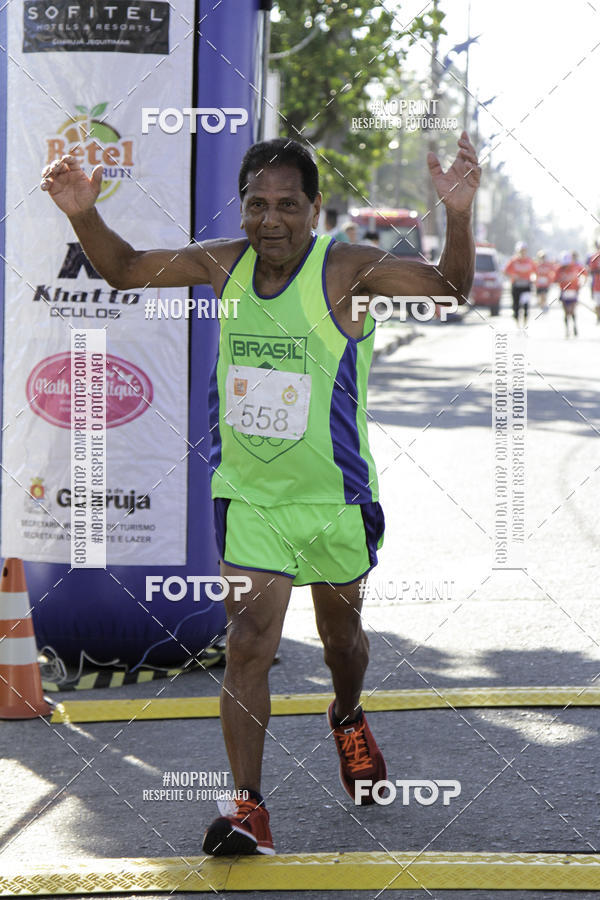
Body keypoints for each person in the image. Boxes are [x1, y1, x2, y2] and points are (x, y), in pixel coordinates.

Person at [41, 131, 480, 856]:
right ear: (242, 207)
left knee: (343, 644)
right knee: (247, 644)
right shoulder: (223, 264)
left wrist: (458, 215)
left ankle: (347, 716)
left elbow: (450, 289)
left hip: (334, 500)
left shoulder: (346, 268)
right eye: (256, 204)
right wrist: (83, 212)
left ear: (314, 208)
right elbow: (124, 270)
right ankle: (248, 808)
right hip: (249, 498)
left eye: (287, 205)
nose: (269, 220)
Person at [554, 251, 586, 338]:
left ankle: (574, 326)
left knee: (572, 311)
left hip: (574, 292)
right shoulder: (559, 269)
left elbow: (585, 273)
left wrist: (582, 284)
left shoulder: (576, 267)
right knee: (566, 312)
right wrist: (561, 280)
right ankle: (567, 330)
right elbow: (555, 280)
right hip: (564, 292)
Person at [504, 241, 536, 326]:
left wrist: (534, 278)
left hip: (526, 286)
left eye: (524, 250)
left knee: (525, 305)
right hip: (516, 286)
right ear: (517, 251)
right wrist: (512, 276)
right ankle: (517, 319)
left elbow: (535, 272)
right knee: (516, 306)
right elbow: (505, 271)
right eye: (521, 250)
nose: (522, 252)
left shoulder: (529, 261)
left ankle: (525, 321)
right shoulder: (513, 261)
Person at [586, 240, 600, 324]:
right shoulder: (594, 257)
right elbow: (591, 270)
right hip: (597, 285)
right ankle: (598, 317)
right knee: (598, 304)